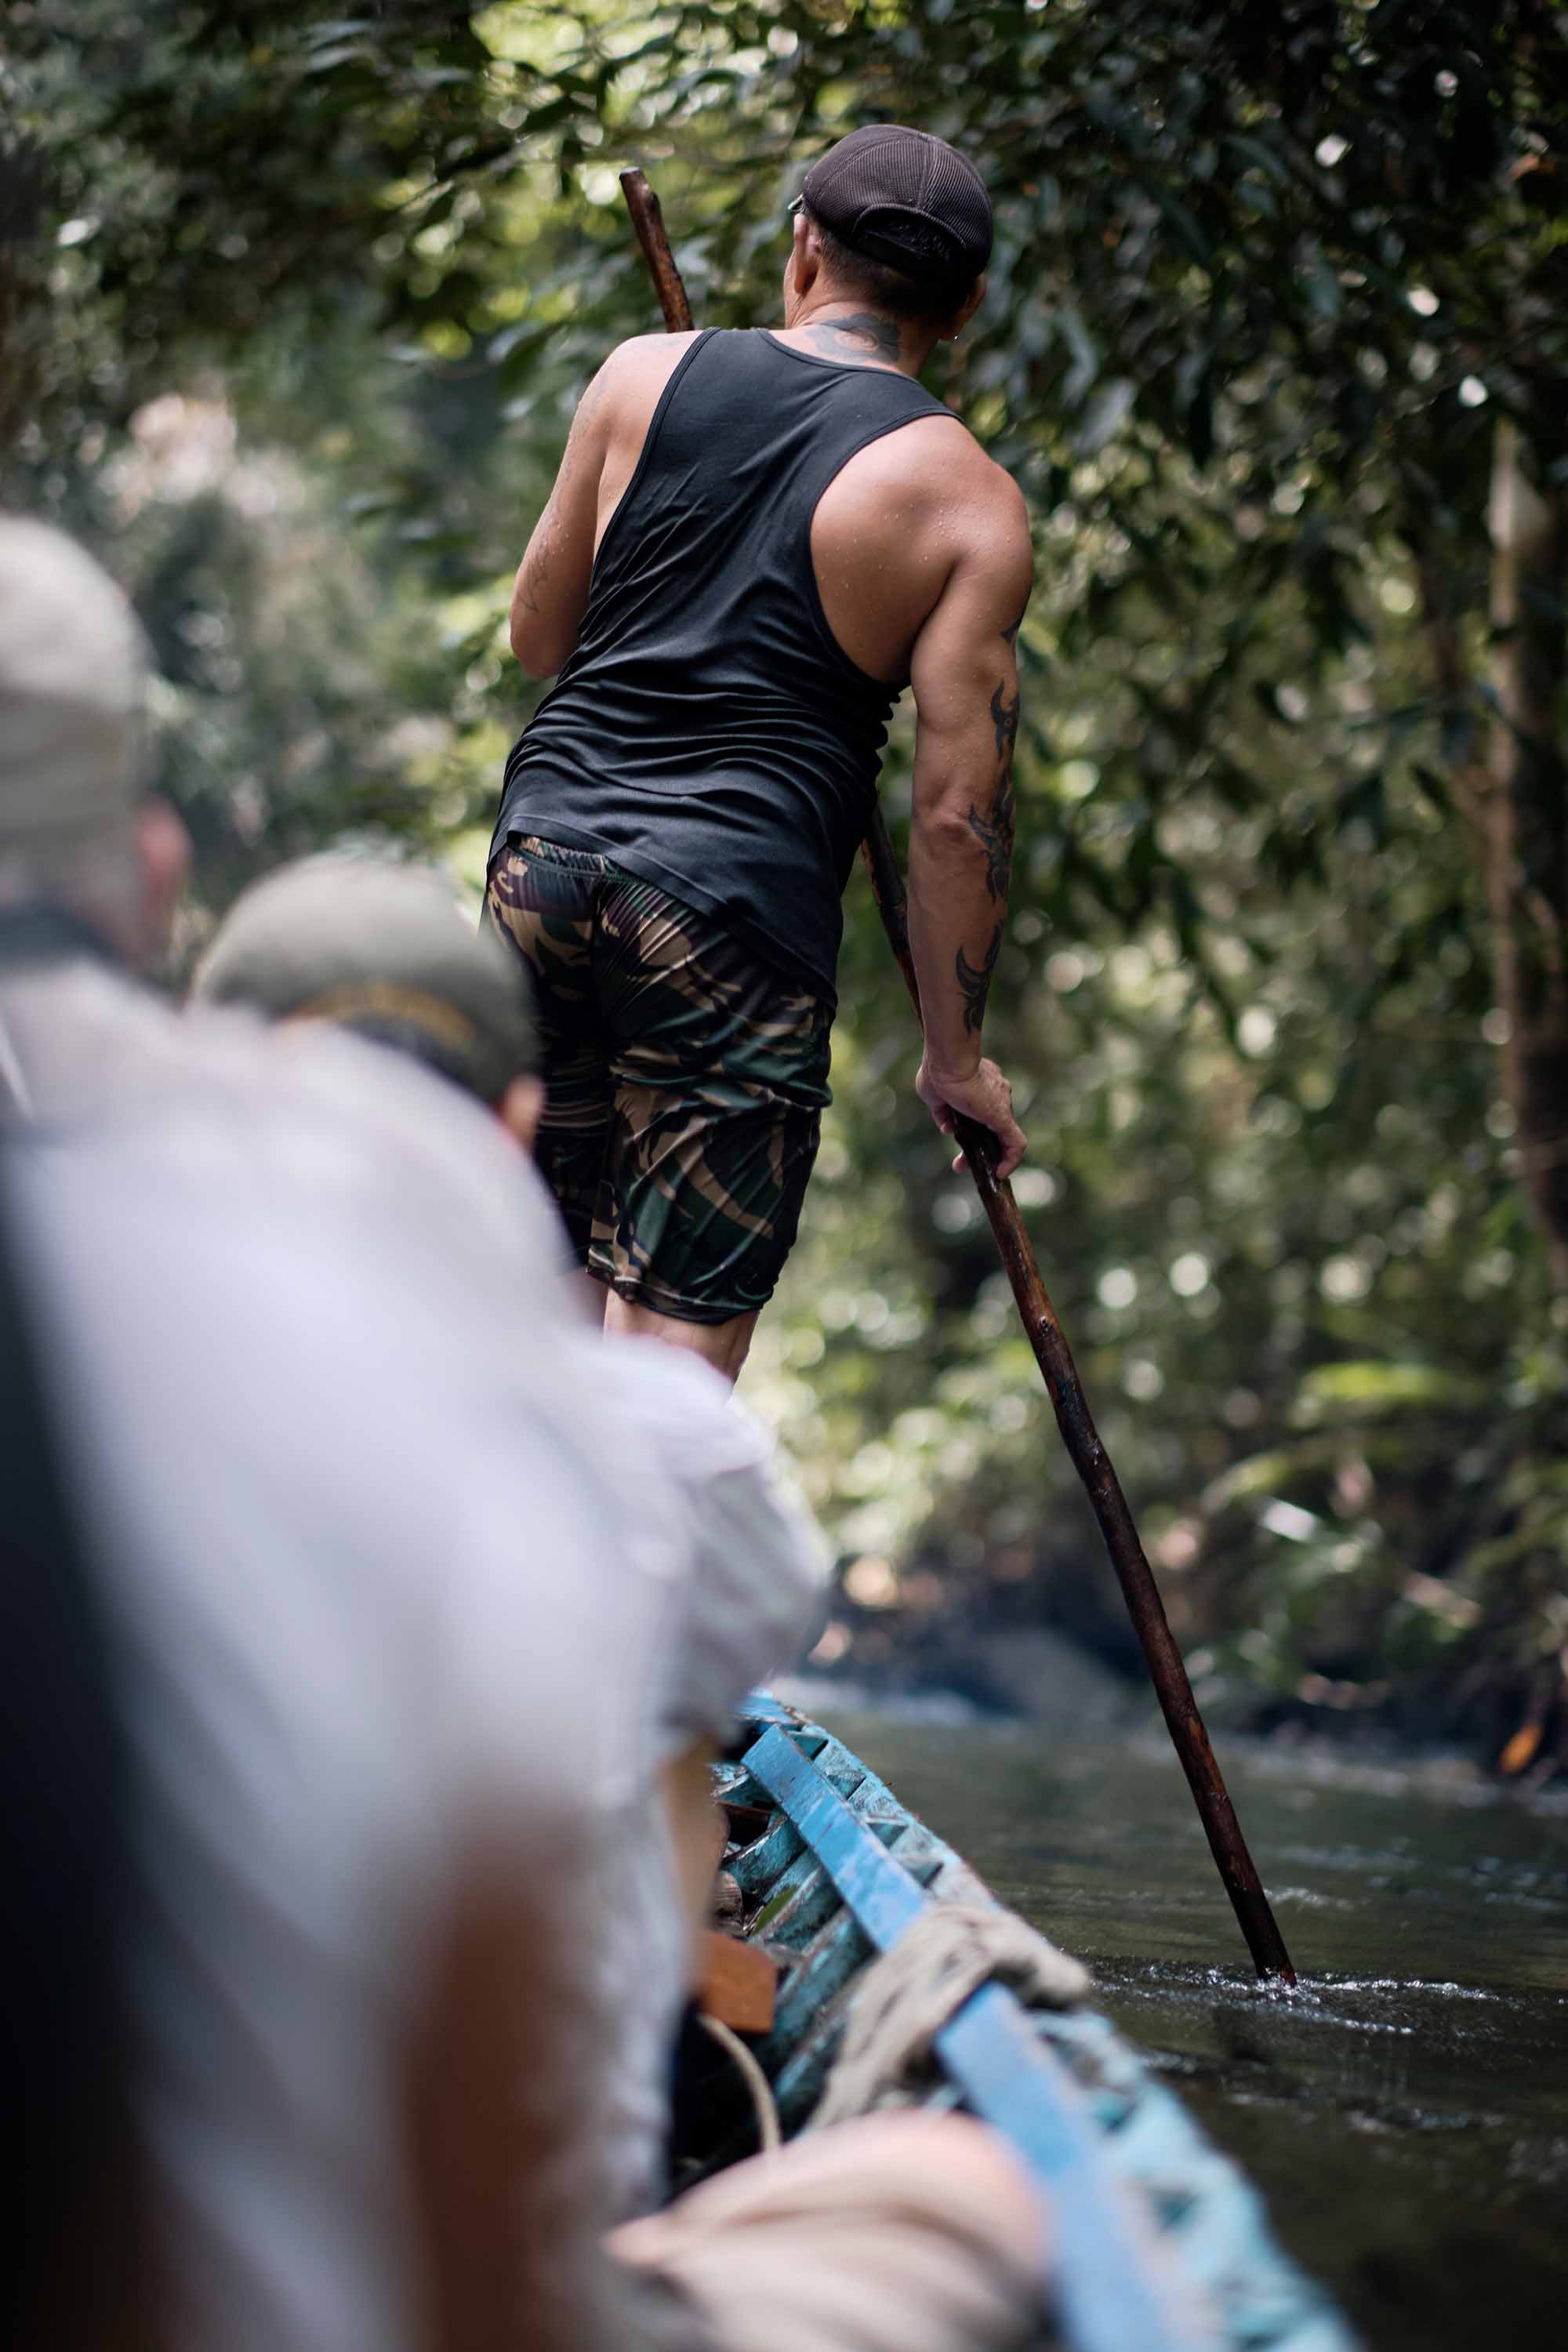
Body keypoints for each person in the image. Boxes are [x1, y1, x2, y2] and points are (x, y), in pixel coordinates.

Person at [194, 847, 831, 2215]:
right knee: (956, 2197)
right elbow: (755, 1636)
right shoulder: (665, 1437)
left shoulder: (104, 1384)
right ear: (518, 1124)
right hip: (494, 2214)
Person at [485, 124, 1034, 1382]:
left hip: (545, 870)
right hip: (731, 919)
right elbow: (957, 817)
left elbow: (538, 637)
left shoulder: (639, 377)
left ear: (802, 249)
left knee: (535, 1313)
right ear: (962, 310)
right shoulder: (966, 501)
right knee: (664, 1384)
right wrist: (956, 1065)